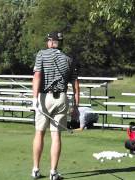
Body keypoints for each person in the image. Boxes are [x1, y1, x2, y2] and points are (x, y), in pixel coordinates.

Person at [31, 31, 80, 180]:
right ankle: (53, 172)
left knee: (39, 133)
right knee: (56, 135)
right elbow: (75, 84)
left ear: (50, 42)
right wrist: (76, 106)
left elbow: (37, 76)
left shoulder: (41, 55)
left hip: (45, 97)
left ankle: (36, 169)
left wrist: (34, 98)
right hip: (61, 99)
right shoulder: (68, 59)